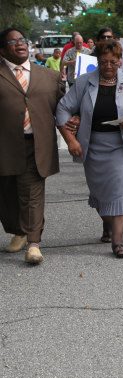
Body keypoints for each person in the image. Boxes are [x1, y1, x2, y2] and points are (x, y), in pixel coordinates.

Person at [55, 40, 123, 258]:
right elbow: (62, 108)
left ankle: (118, 242)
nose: (108, 66)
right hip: (93, 146)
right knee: (101, 193)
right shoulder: (84, 82)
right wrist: (70, 140)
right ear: (97, 61)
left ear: (120, 60)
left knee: (121, 192)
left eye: (113, 61)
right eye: (103, 62)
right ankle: (108, 224)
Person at [0, 28, 64, 265]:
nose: (19, 44)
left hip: (35, 145)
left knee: (32, 194)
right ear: (2, 50)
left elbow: (65, 109)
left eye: (22, 40)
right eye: (12, 41)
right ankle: (19, 231)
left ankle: (34, 244)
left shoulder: (50, 76)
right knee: (6, 194)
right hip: (4, 146)